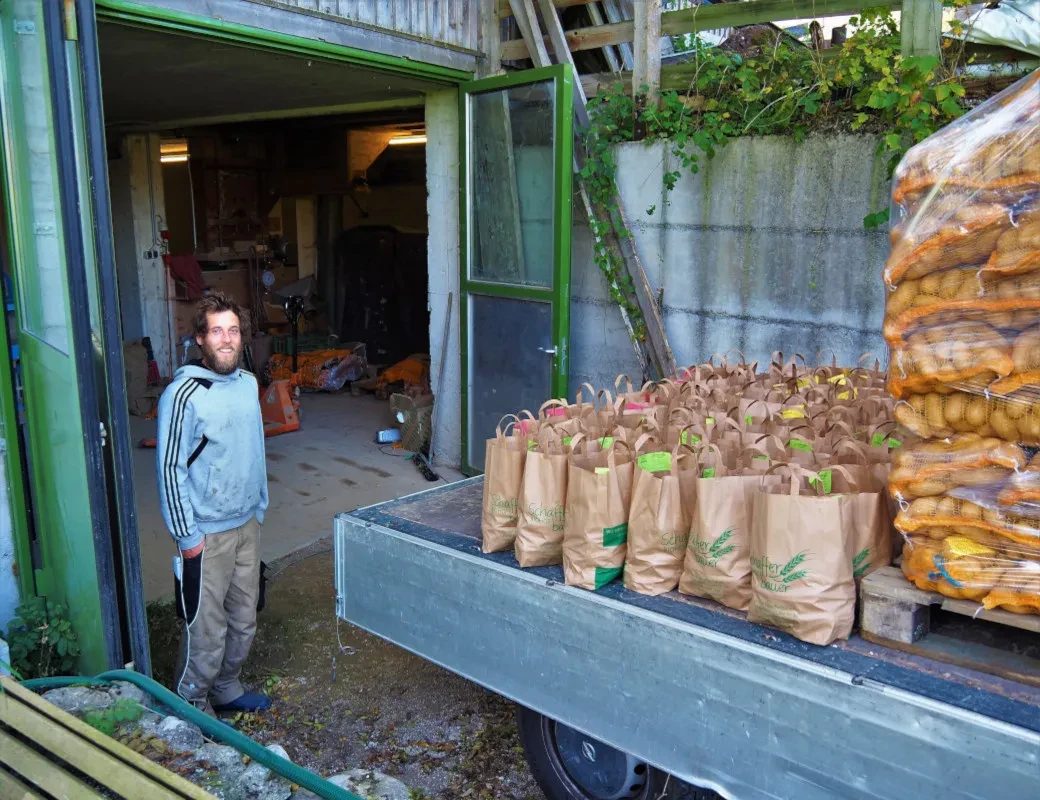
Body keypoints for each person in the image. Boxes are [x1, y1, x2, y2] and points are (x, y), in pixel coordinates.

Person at [156, 291, 271, 715]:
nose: (227, 340)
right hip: (206, 531)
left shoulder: (247, 384)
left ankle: (226, 688)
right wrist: (188, 537)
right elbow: (170, 470)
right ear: (201, 339)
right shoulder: (183, 394)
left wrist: (259, 505)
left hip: (246, 525)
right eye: (217, 331)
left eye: (234, 331)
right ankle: (191, 704)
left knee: (244, 617)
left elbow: (254, 446)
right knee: (205, 627)